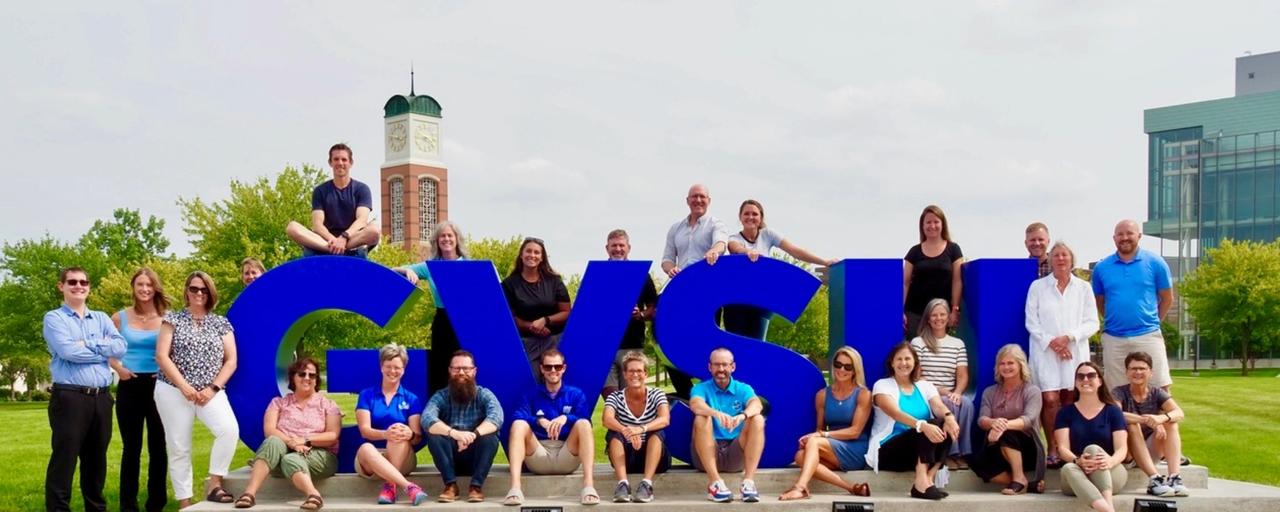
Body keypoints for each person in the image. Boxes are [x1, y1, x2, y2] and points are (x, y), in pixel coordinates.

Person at [43, 266, 128, 512]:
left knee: (96, 461)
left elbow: (121, 347)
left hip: (101, 399)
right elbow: (68, 352)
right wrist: (103, 350)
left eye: (83, 282)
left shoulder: (101, 318)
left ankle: (95, 508)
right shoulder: (54, 318)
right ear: (62, 286)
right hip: (70, 397)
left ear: (89, 287)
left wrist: (86, 343)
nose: (78, 286)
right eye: (72, 282)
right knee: (65, 458)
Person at [155, 271, 240, 509]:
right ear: (186, 291)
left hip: (210, 391)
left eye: (204, 289)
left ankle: (215, 484)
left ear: (210, 293)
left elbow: (231, 360)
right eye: (194, 289)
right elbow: (162, 356)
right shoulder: (172, 319)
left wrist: (212, 388)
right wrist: (184, 386)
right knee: (179, 445)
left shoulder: (220, 322)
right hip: (173, 390)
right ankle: (185, 501)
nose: (199, 293)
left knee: (228, 430)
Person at [1026, 241, 1099, 469]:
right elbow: (1031, 321)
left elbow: (1092, 322)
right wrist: (1053, 343)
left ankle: (1067, 448)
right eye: (1056, 255)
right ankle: (1052, 448)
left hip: (1074, 351)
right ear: (1050, 259)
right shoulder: (1038, 287)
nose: (1060, 259)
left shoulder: (1084, 288)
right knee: (1049, 400)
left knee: (1069, 399)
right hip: (1045, 351)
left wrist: (1069, 337)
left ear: (1071, 259)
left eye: (1064, 255)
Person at [235, 358, 342, 510]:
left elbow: (332, 436)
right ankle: (249, 494)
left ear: (316, 379)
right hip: (283, 453)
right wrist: (292, 443)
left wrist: (304, 440)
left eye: (312, 375)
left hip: (320, 456)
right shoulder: (278, 403)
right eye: (302, 374)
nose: (307, 378)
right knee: (273, 441)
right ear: (293, 377)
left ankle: (314, 495)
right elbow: (269, 430)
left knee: (290, 459)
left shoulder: (328, 405)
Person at [724, 199, 838, 339]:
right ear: (740, 217)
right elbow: (735, 248)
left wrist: (824, 261)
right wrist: (747, 252)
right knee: (735, 345)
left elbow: (795, 251)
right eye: (746, 214)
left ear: (760, 218)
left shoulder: (767, 234)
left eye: (754, 214)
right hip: (737, 302)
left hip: (760, 301)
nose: (750, 217)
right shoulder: (733, 238)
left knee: (758, 346)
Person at [109, 268, 170, 512]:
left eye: (149, 285)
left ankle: (156, 503)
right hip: (129, 385)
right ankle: (128, 504)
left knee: (158, 446)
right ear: (133, 288)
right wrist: (119, 369)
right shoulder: (118, 318)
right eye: (140, 285)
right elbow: (108, 352)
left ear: (155, 288)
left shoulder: (168, 318)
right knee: (131, 447)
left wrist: (166, 372)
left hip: (159, 386)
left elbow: (175, 352)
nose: (144, 289)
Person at [866, 342, 959, 501]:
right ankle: (921, 483)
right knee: (928, 425)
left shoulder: (925, 385)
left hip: (921, 453)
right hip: (889, 451)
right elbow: (895, 413)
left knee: (945, 424)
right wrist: (921, 425)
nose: (903, 363)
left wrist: (950, 417)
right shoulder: (882, 385)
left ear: (915, 362)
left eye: (908, 359)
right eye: (899, 359)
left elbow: (937, 405)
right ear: (892, 362)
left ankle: (928, 478)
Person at [504, 349, 597, 506]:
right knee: (518, 424)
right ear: (541, 369)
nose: (553, 370)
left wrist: (566, 418)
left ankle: (588, 487)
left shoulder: (575, 394)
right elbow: (516, 416)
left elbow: (585, 417)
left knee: (584, 424)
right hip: (538, 454)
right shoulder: (530, 394)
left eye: (557, 367)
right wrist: (539, 421)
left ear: (564, 368)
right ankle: (515, 489)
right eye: (548, 367)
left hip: (567, 454)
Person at [779, 346, 871, 501]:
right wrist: (811, 441)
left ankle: (800, 488)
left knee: (813, 443)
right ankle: (851, 488)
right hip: (831, 447)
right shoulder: (822, 395)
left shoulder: (863, 394)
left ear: (855, 370)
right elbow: (819, 428)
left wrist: (821, 436)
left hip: (855, 448)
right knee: (800, 456)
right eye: (838, 364)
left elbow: (855, 431)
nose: (841, 369)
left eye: (848, 366)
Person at [1092, 219, 1173, 390]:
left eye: (1129, 233)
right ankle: (1124, 419)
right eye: (1120, 234)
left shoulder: (1156, 263)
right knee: (1115, 391)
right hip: (1114, 338)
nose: (1125, 238)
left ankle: (1159, 418)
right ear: (1114, 238)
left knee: (1160, 387)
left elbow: (1167, 298)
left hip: (1148, 335)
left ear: (1139, 236)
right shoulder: (1102, 268)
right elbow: (1099, 301)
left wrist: (1154, 321)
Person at [392, 221, 468, 397]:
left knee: (464, 365)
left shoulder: (467, 265)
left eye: (450, 235)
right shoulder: (430, 266)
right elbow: (391, 270)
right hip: (443, 320)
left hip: (465, 320)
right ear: (436, 241)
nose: (446, 239)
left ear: (457, 239)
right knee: (440, 366)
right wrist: (406, 271)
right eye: (442, 236)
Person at [423, 350, 503, 503]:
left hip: (476, 457)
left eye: (466, 369)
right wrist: (455, 434)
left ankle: (476, 487)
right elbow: (427, 418)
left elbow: (496, 417)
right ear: (449, 371)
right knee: (434, 436)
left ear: (474, 371)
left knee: (491, 438)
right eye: (456, 369)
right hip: (449, 457)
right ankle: (451, 486)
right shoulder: (440, 396)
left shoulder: (484, 394)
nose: (461, 373)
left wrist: (472, 435)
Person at [353, 344, 429, 505]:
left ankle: (390, 485)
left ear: (404, 369)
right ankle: (407, 486)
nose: (392, 371)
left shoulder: (411, 399)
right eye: (388, 366)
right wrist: (384, 434)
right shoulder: (367, 395)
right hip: (371, 460)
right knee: (366, 447)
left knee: (399, 431)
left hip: (402, 457)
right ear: (381, 367)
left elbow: (416, 437)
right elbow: (364, 431)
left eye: (397, 367)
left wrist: (410, 434)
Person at [689, 347, 765, 503]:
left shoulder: (743, 388)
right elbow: (695, 405)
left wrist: (742, 416)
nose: (721, 369)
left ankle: (748, 483)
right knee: (702, 418)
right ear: (710, 367)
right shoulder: (700, 388)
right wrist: (716, 413)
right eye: (716, 365)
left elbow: (757, 404)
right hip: (708, 453)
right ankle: (715, 483)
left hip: (736, 452)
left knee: (757, 419)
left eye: (725, 364)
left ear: (733, 367)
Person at [1054, 361, 1129, 512]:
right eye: (1080, 377)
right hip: (1076, 476)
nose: (1085, 380)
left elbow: (1122, 448)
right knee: (1068, 467)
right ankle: (1109, 510)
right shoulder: (1065, 413)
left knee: (1093, 449)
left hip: (1110, 472)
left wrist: (1110, 461)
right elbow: (1062, 448)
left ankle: (1106, 505)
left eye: (1091, 376)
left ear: (1100, 381)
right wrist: (1078, 461)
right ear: (1075, 383)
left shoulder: (1113, 411)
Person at [909, 298, 974, 468]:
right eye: (934, 315)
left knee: (966, 404)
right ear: (928, 319)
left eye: (942, 314)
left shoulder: (957, 344)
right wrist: (942, 391)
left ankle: (962, 452)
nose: (938, 318)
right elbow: (916, 376)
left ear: (948, 317)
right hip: (928, 393)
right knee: (948, 405)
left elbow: (963, 375)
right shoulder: (919, 343)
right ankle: (949, 454)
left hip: (950, 393)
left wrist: (957, 392)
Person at [972, 344, 1046, 495]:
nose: (1006, 367)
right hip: (999, 446)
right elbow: (982, 419)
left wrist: (1002, 426)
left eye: (1010, 363)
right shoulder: (990, 392)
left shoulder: (1032, 391)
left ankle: (1019, 478)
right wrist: (993, 423)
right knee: (975, 461)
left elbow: (1028, 420)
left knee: (1007, 433)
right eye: (1002, 364)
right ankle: (1026, 484)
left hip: (1028, 447)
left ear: (1020, 365)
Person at [285, 143, 381, 257]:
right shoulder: (320, 191)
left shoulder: (361, 189)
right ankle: (331, 249)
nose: (340, 163)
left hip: (352, 239)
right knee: (292, 227)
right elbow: (317, 224)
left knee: (374, 230)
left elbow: (361, 220)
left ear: (351, 163)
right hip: (325, 240)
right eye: (336, 159)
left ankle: (343, 248)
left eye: (344, 159)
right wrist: (334, 241)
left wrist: (344, 238)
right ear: (330, 162)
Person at [1114, 351, 1189, 497]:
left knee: (1171, 424)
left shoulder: (1157, 393)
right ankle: (1155, 479)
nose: (1138, 372)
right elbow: (1115, 415)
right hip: (1128, 454)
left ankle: (1174, 478)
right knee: (1132, 425)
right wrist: (1147, 420)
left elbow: (1179, 412)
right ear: (1127, 372)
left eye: (1142, 368)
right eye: (1133, 369)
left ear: (1151, 372)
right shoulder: (1119, 392)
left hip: (1150, 449)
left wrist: (1161, 419)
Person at [602, 351, 671, 503]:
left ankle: (647, 484)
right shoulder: (616, 397)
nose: (635, 375)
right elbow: (606, 419)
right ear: (625, 374)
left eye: (639, 371)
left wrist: (640, 429)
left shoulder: (657, 394)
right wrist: (626, 430)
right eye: (631, 371)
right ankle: (622, 485)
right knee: (613, 433)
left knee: (657, 432)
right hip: (627, 456)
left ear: (645, 374)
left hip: (656, 458)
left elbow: (665, 419)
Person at [601, 229, 658, 399]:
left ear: (628, 248)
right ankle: (615, 425)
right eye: (614, 245)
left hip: (632, 343)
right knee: (611, 396)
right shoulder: (599, 274)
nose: (617, 249)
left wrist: (640, 314)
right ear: (607, 248)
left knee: (631, 395)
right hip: (604, 345)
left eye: (621, 245)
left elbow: (653, 307)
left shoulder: (641, 274)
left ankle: (629, 426)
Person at [501, 237, 571, 373]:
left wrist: (545, 320)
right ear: (521, 255)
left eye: (536, 252)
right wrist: (533, 327)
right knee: (530, 383)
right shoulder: (509, 284)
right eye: (528, 251)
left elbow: (566, 312)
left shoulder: (554, 281)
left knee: (553, 383)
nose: (532, 255)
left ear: (542, 258)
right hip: (526, 343)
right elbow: (509, 317)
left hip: (554, 341)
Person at [902, 204, 964, 336]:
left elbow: (957, 281)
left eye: (936, 222)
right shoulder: (914, 252)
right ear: (922, 226)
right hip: (915, 313)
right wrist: (899, 311)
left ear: (943, 224)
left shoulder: (953, 250)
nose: (932, 226)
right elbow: (905, 282)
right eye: (928, 222)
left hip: (941, 315)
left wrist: (955, 309)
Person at [660, 183, 728, 278]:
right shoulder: (675, 228)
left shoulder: (716, 224)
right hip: (682, 281)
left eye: (702, 196)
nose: (698, 200)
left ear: (709, 201)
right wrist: (671, 269)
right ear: (687, 201)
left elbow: (721, 244)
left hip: (708, 279)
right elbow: (667, 260)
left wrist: (714, 251)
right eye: (694, 196)